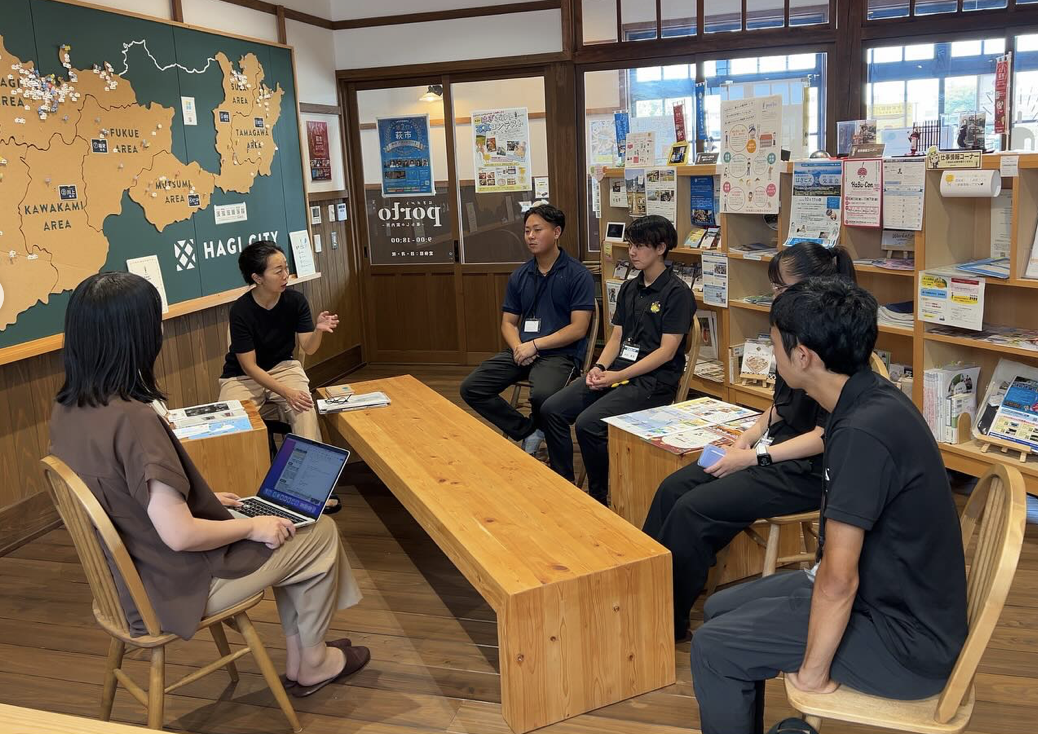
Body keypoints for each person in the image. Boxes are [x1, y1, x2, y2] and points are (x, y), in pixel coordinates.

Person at [49, 272, 370, 698]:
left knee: (285, 528)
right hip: (171, 587)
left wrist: (196, 500)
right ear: (137, 336)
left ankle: (307, 653)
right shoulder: (134, 419)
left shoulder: (68, 408)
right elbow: (180, 535)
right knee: (317, 532)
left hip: (124, 578)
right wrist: (252, 526)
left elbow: (122, 493)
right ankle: (312, 661)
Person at [690, 277, 967, 734]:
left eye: (774, 345)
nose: (772, 355)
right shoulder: (868, 397)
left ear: (803, 357)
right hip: (891, 600)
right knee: (720, 609)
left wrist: (814, 674)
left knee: (713, 647)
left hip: (904, 642)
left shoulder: (861, 431)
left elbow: (839, 580)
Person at [642, 243, 856, 641]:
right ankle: (648, 591)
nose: (774, 297)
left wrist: (755, 457)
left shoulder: (839, 346)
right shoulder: (794, 334)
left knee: (692, 510)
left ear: (813, 287)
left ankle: (666, 620)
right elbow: (782, 407)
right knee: (673, 488)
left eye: (780, 288)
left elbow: (826, 437)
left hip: (805, 470)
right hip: (772, 451)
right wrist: (746, 438)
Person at [540, 215, 695, 504]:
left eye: (640, 246)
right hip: (618, 372)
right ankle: (564, 482)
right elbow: (616, 337)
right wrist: (599, 367)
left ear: (661, 248)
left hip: (653, 382)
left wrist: (616, 376)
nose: (632, 252)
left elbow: (667, 352)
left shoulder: (677, 293)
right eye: (631, 245)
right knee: (552, 409)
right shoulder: (629, 288)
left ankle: (601, 496)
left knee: (588, 424)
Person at [460, 204, 595, 453]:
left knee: (542, 396)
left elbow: (578, 328)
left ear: (556, 232)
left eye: (537, 230)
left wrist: (535, 345)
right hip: (522, 350)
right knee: (472, 387)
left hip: (560, 354)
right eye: (526, 231)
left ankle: (544, 437)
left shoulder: (577, 274)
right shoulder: (520, 275)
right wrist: (519, 348)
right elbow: (508, 322)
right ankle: (528, 430)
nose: (530, 236)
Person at [219, 241, 341, 510]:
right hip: (242, 375)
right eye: (278, 271)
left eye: (286, 268)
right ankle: (242, 491)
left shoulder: (295, 301)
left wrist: (318, 330)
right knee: (231, 420)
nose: (286, 275)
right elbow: (249, 366)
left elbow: (308, 347)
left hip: (284, 367)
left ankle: (309, 492)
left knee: (304, 407)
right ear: (257, 277)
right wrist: (286, 393)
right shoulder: (241, 310)